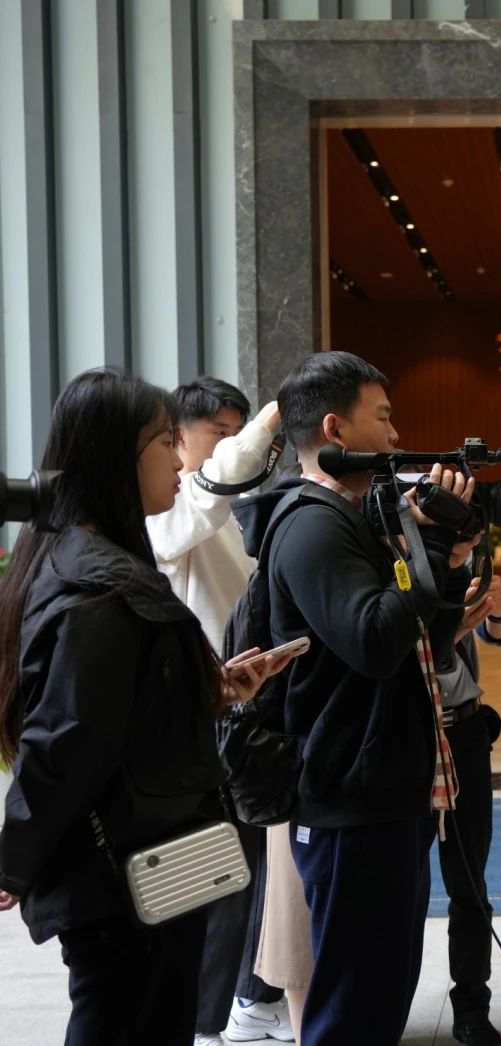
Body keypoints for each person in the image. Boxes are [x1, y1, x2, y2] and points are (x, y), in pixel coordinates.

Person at [0, 368, 283, 1045]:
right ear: (114, 459)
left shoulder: (100, 564)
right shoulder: (96, 584)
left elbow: (118, 712)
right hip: (121, 873)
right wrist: (14, 860)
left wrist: (211, 692)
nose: (180, 462)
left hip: (143, 865)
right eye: (164, 442)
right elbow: (66, 741)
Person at [266, 350, 479, 1046]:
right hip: (351, 803)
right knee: (353, 1008)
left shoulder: (352, 518)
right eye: (383, 418)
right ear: (335, 427)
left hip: (384, 793)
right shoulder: (312, 524)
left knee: (380, 996)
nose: (395, 436)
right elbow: (374, 642)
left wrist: (447, 565)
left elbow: (422, 645)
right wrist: (431, 542)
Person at [146, 376, 294, 1046]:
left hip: (239, 705)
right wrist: (272, 418)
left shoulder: (217, 512)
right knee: (217, 875)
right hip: (199, 721)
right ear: (177, 437)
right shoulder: (170, 512)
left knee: (249, 869)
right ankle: (210, 1022)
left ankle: (244, 1004)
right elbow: (217, 483)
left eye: (239, 429)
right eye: (219, 431)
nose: (232, 444)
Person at [437, 575, 501, 1046]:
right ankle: (388, 1004)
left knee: (470, 882)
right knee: (398, 887)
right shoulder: (377, 550)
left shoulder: (462, 554)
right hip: (402, 731)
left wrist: (498, 608)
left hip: (465, 730)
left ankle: (472, 1008)